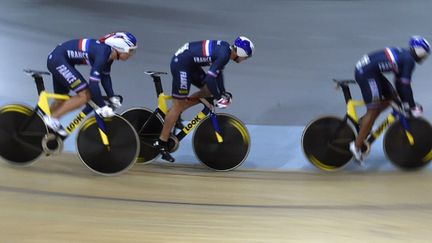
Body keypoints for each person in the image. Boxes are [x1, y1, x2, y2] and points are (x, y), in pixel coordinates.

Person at [153, 36, 255, 162]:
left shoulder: (226, 51)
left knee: (207, 91)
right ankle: (161, 142)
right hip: (181, 64)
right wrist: (218, 98)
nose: (245, 59)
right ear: (241, 52)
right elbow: (210, 79)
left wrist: (222, 92)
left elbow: (217, 74)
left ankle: (176, 112)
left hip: (189, 63)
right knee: (178, 105)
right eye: (247, 56)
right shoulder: (224, 55)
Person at [350, 35, 430, 164]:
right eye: (424, 55)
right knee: (373, 109)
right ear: (419, 51)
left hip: (370, 71)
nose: (424, 58)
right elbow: (405, 85)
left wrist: (407, 103)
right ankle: (356, 147)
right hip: (367, 74)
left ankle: (364, 122)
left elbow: (400, 84)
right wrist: (411, 105)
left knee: (392, 96)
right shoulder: (409, 61)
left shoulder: (405, 56)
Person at [45, 31, 138, 136]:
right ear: (121, 47)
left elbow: (105, 77)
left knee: (61, 100)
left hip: (59, 59)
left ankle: (42, 124)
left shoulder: (108, 54)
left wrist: (112, 97)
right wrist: (102, 107)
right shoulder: (102, 53)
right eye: (130, 51)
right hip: (58, 60)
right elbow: (93, 83)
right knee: (85, 95)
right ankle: (52, 119)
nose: (131, 54)